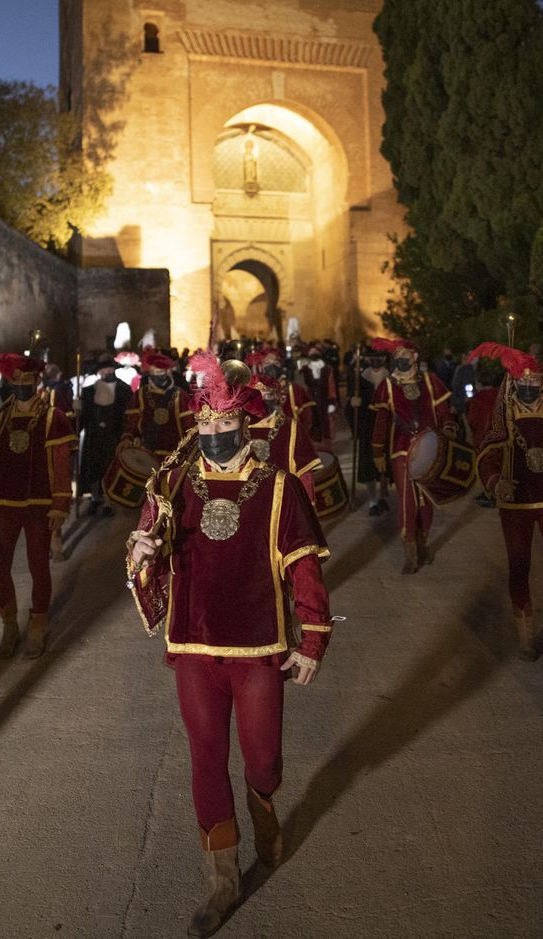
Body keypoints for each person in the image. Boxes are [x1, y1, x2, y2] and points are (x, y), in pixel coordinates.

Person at [124, 353, 332, 938]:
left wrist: (312, 637)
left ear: (247, 422)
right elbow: (149, 547)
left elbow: (304, 566)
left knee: (263, 759)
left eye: (225, 422)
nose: (214, 433)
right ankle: (221, 879)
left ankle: (263, 807)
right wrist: (142, 556)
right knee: (205, 757)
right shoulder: (170, 480)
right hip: (193, 645)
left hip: (260, 646)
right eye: (205, 424)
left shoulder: (280, 487)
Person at [471, 344, 543, 663]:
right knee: (519, 568)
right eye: (521, 382)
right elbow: (487, 459)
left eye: (534, 382)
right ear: (512, 384)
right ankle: (525, 639)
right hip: (516, 505)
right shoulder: (503, 420)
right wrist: (497, 483)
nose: (528, 387)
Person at [0, 353, 75, 660]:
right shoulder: (0, 418)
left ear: (37, 382)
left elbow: (62, 466)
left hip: (40, 505)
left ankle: (37, 624)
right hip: (5, 504)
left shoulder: (55, 418)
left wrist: (59, 505)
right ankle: (10, 626)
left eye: (28, 382)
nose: (22, 387)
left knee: (38, 565)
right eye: (17, 382)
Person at [369, 338, 456, 574]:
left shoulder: (431, 381)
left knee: (426, 500)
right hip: (401, 448)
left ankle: (423, 542)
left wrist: (448, 428)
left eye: (404, 354)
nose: (399, 358)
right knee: (407, 500)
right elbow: (381, 422)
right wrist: (377, 449)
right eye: (396, 355)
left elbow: (444, 413)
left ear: (415, 357)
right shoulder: (387, 386)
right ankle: (410, 553)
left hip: (431, 448)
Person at [250, 371, 322, 500]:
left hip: (282, 495)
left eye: (268, 395)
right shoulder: (239, 427)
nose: (262, 400)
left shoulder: (291, 427)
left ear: (276, 397)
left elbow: (304, 472)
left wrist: (305, 503)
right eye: (258, 395)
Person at [78, 352, 130, 517]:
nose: (107, 372)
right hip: (94, 434)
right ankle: (95, 498)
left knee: (110, 468)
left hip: (113, 435)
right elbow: (84, 417)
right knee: (93, 466)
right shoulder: (88, 391)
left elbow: (128, 415)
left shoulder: (124, 389)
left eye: (109, 368)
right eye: (104, 369)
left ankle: (108, 500)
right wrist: (77, 409)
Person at [123, 349, 191, 456]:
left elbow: (188, 422)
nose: (157, 376)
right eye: (153, 373)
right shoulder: (140, 394)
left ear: (167, 372)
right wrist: (129, 437)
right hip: (146, 449)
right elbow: (132, 420)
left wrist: (188, 445)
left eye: (160, 372)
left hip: (174, 451)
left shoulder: (180, 394)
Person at [347, 347, 389, 515]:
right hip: (367, 427)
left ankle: (383, 496)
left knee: (385, 466)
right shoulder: (360, 379)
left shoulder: (391, 378)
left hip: (386, 427)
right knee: (368, 466)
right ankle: (372, 500)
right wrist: (352, 403)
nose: (376, 361)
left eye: (379, 357)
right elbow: (350, 407)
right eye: (373, 357)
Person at [296, 343, 338, 447]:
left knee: (325, 424)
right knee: (311, 422)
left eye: (315, 352)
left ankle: (326, 446)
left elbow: (331, 385)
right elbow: (301, 384)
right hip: (309, 399)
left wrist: (332, 401)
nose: (313, 353)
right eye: (311, 352)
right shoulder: (305, 369)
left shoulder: (327, 368)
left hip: (324, 399)